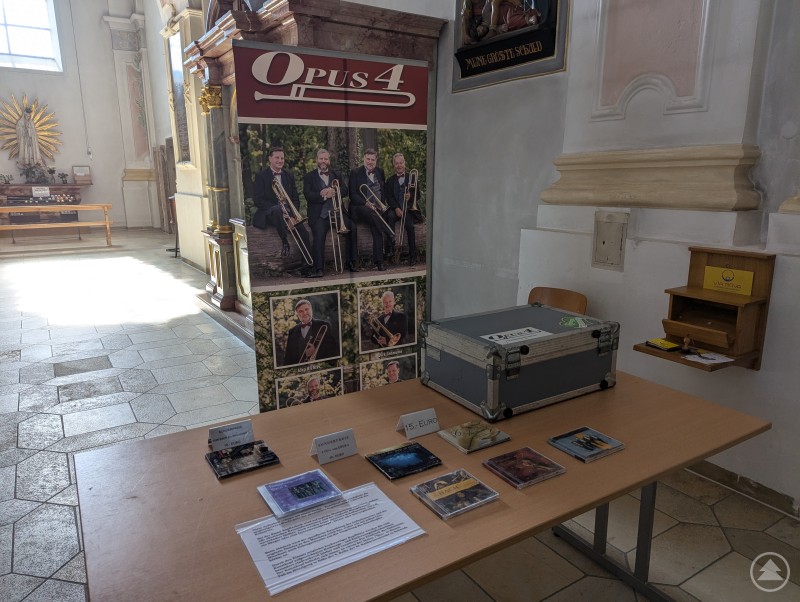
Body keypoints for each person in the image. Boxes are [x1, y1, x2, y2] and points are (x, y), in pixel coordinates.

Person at [252, 147, 314, 275]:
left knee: (304, 233)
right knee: (276, 210)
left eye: (282, 158)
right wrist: (281, 210)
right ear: (270, 159)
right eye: (277, 158)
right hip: (270, 213)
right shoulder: (261, 176)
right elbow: (258, 200)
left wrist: (293, 216)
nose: (280, 160)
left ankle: (306, 267)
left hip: (288, 214)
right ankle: (285, 241)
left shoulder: (288, 175)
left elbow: (295, 198)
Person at [303, 149, 359, 275]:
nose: (323, 161)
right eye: (321, 159)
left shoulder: (336, 174)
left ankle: (351, 262)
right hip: (320, 215)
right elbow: (308, 195)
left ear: (329, 160)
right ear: (317, 160)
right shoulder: (309, 176)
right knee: (319, 235)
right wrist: (322, 194)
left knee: (352, 227)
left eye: (326, 159)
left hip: (337, 212)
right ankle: (319, 268)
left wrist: (335, 191)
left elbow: (345, 190)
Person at [348, 149, 393, 271]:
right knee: (373, 215)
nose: (370, 162)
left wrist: (381, 204)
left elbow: (382, 190)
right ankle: (388, 232)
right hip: (359, 208)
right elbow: (352, 195)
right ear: (364, 159)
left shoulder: (380, 172)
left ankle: (379, 262)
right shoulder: (355, 172)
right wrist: (365, 203)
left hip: (376, 209)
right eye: (368, 159)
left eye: (372, 159)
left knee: (375, 225)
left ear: (376, 160)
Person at [384, 153, 418, 266]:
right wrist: (396, 208)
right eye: (397, 163)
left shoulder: (412, 177)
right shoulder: (390, 181)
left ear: (404, 163)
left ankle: (413, 255)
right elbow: (389, 198)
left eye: (401, 163)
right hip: (396, 208)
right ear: (394, 165)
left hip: (408, 208)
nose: (399, 165)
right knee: (389, 217)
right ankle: (390, 250)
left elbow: (418, 195)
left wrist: (411, 196)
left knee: (410, 226)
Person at [282, 299, 337, 366]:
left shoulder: (323, 325)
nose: (304, 313)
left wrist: (315, 351)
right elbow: (288, 358)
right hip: (300, 371)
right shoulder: (292, 331)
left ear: (311, 310)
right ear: (297, 314)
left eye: (306, 309)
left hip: (319, 369)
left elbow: (334, 349)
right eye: (301, 311)